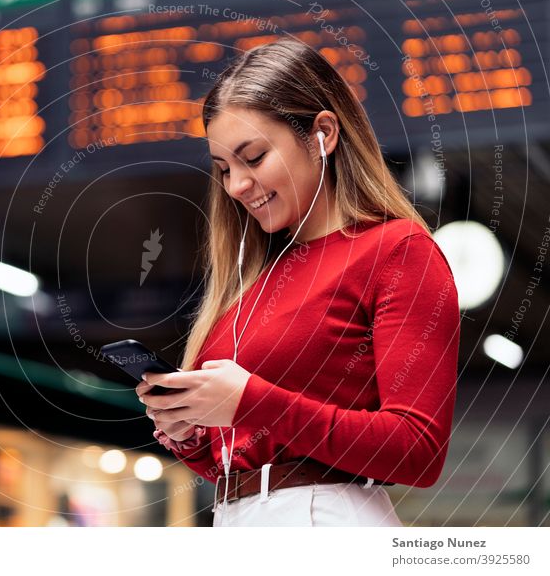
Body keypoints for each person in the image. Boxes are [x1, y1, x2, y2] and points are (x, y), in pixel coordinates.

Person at [135, 37, 460, 527]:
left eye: (254, 156)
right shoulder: (251, 281)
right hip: (238, 521)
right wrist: (191, 436)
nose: (236, 185)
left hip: (323, 521)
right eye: (223, 168)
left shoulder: (397, 251)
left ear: (322, 133)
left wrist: (251, 402)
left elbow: (417, 451)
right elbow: (243, 458)